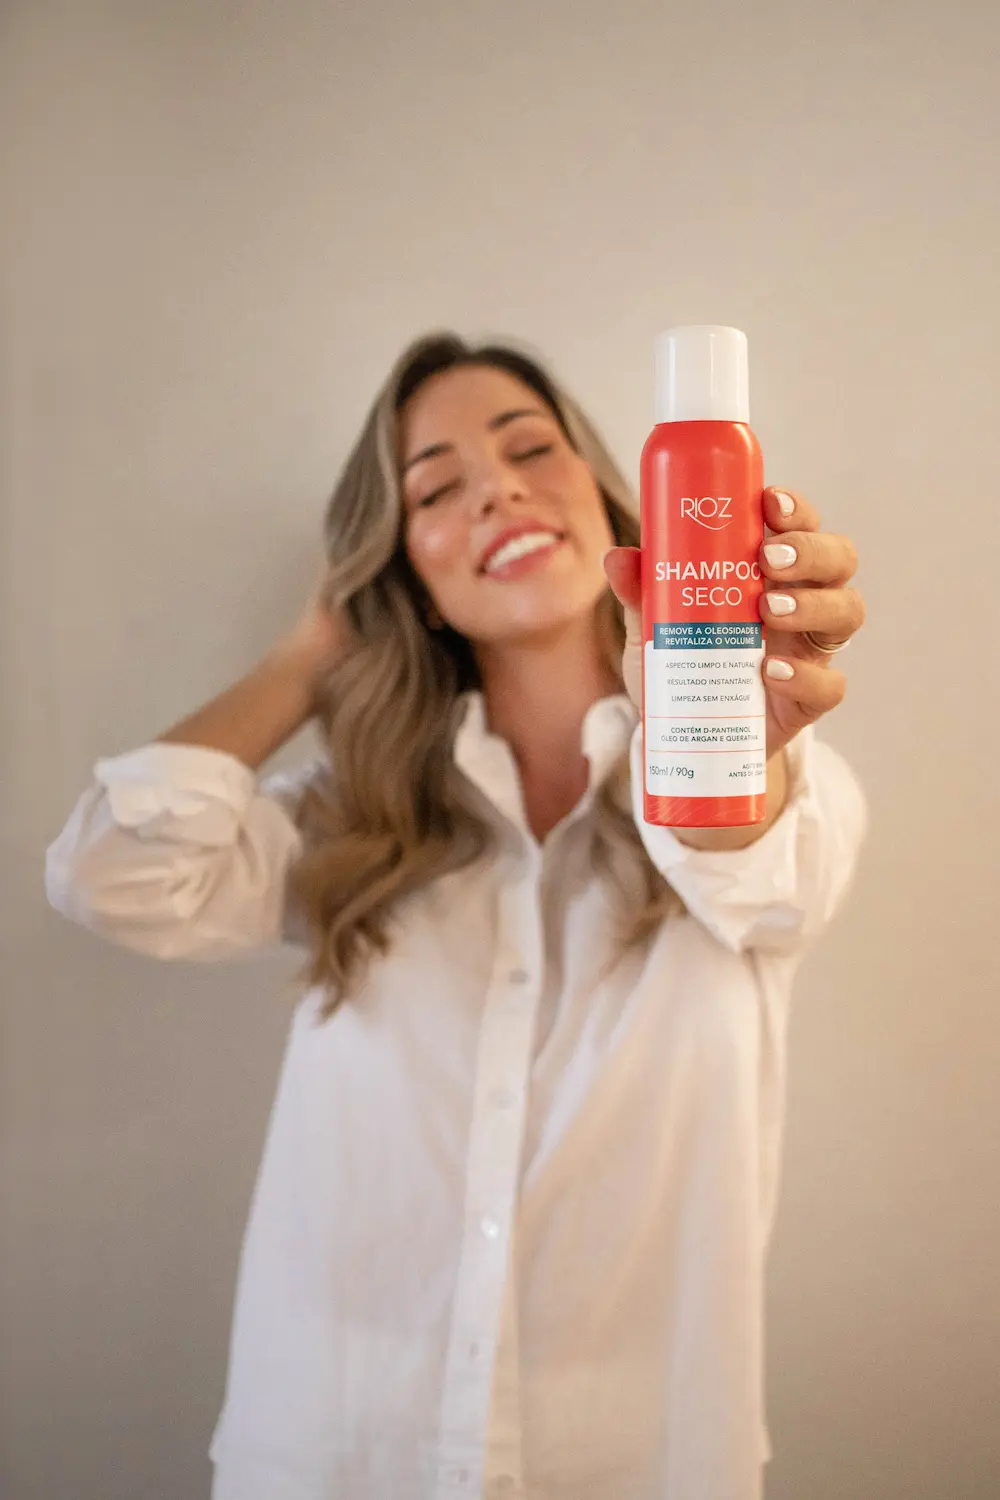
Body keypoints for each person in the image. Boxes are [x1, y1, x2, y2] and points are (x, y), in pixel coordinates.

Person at [45, 333, 867, 1500]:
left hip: (633, 1464)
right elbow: (105, 872)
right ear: (404, 570)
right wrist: (314, 647)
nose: (496, 491)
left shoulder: (784, 794)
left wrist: (736, 746)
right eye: (434, 490)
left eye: (530, 449)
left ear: (607, 497)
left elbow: (757, 869)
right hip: (333, 1457)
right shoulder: (348, 824)